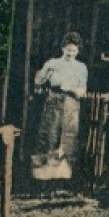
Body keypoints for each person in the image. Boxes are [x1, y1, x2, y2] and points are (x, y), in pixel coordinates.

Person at [30, 33, 88, 181]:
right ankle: (44, 175)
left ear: (78, 51)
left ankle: (65, 175)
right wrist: (44, 75)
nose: (70, 53)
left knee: (69, 136)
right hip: (54, 101)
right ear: (63, 48)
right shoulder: (53, 63)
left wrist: (70, 88)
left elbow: (83, 91)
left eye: (74, 51)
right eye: (68, 50)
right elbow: (38, 80)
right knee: (50, 134)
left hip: (72, 103)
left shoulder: (81, 68)